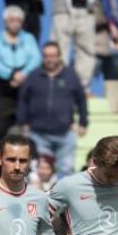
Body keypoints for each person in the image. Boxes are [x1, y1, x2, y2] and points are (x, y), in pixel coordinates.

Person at [17, 42, 88, 178]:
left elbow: (81, 100)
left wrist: (83, 123)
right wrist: (23, 122)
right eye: (46, 56)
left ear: (59, 56)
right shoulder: (34, 76)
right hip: (38, 135)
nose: (50, 59)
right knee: (38, 173)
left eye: (53, 56)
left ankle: (62, 199)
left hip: (65, 134)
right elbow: (23, 99)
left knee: (66, 171)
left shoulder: (71, 76)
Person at [0, 5, 41, 142]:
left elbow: (36, 58)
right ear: (5, 21)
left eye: (19, 20)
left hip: (24, 86)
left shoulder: (29, 38)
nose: (15, 23)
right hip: (2, 89)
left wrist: (23, 74)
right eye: (12, 20)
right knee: (0, 128)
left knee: (26, 128)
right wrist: (11, 74)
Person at [50, 0, 96, 88]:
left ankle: (82, 87)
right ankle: (58, 87)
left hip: (87, 8)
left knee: (87, 50)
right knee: (59, 50)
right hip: (63, 8)